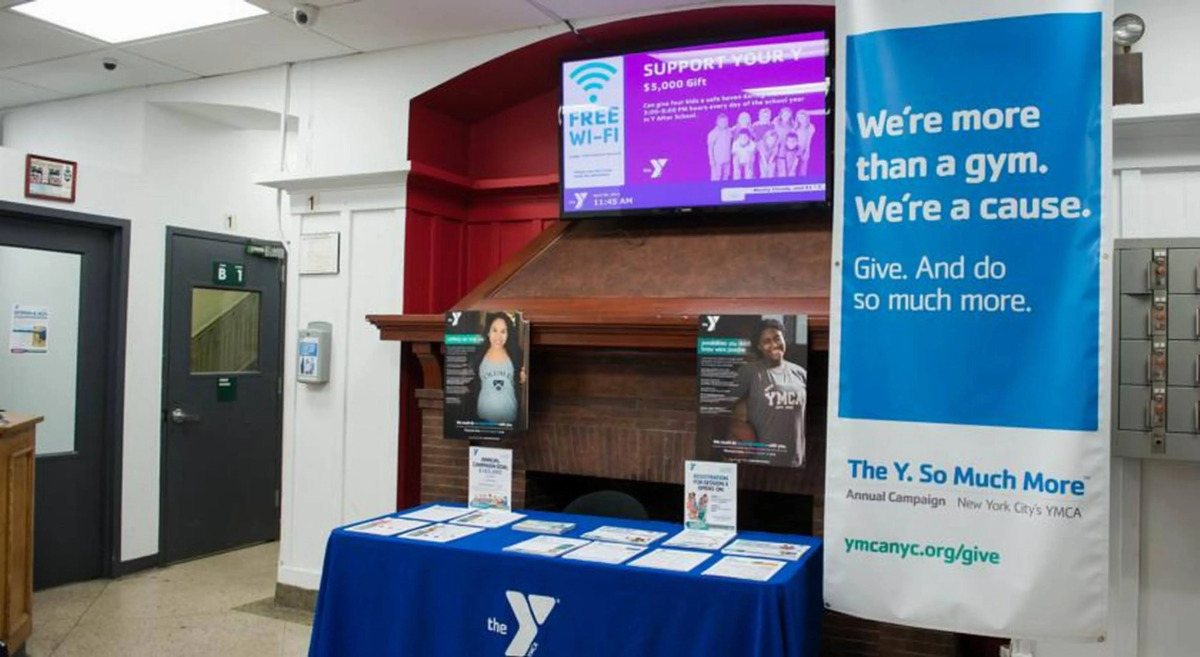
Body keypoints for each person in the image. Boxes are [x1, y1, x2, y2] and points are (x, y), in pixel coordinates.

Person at [731, 318, 808, 467]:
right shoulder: (750, 372)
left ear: (784, 339)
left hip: (796, 463)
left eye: (777, 338)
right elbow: (721, 409)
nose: (773, 344)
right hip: (761, 462)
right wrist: (735, 434)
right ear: (759, 346)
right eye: (766, 341)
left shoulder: (800, 373)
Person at [472, 313, 526, 424]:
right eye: (495, 330)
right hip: (483, 418)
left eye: (503, 331)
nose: (498, 336)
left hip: (510, 419)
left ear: (508, 334)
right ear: (488, 332)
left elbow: (522, 381)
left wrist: (524, 378)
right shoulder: (478, 354)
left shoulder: (516, 354)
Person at [707, 113, 733, 181]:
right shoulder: (713, 133)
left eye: (725, 121)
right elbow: (710, 148)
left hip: (727, 159)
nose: (723, 123)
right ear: (717, 122)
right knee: (716, 178)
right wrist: (711, 161)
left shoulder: (730, 131)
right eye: (721, 122)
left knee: (726, 176)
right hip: (717, 160)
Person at [794, 111, 816, 176]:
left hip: (805, 149)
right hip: (795, 149)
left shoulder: (810, 127)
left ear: (806, 117)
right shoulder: (795, 127)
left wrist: (806, 151)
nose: (800, 119)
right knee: (793, 168)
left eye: (802, 117)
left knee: (803, 169)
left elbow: (808, 140)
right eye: (799, 117)